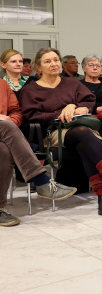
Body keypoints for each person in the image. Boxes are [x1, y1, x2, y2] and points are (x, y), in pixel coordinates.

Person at [20, 48, 102, 215]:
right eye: (47, 61)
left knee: (83, 141)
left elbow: (88, 101)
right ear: (38, 68)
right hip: (52, 133)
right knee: (83, 134)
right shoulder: (30, 89)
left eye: (56, 60)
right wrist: (61, 114)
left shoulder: (72, 83)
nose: (53, 64)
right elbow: (31, 116)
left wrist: (74, 106)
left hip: (79, 130)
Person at [1, 79, 77, 227]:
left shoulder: (1, 84)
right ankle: (40, 180)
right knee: (7, 128)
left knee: (3, 151)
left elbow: (15, 111)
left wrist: (10, 120)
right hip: (4, 129)